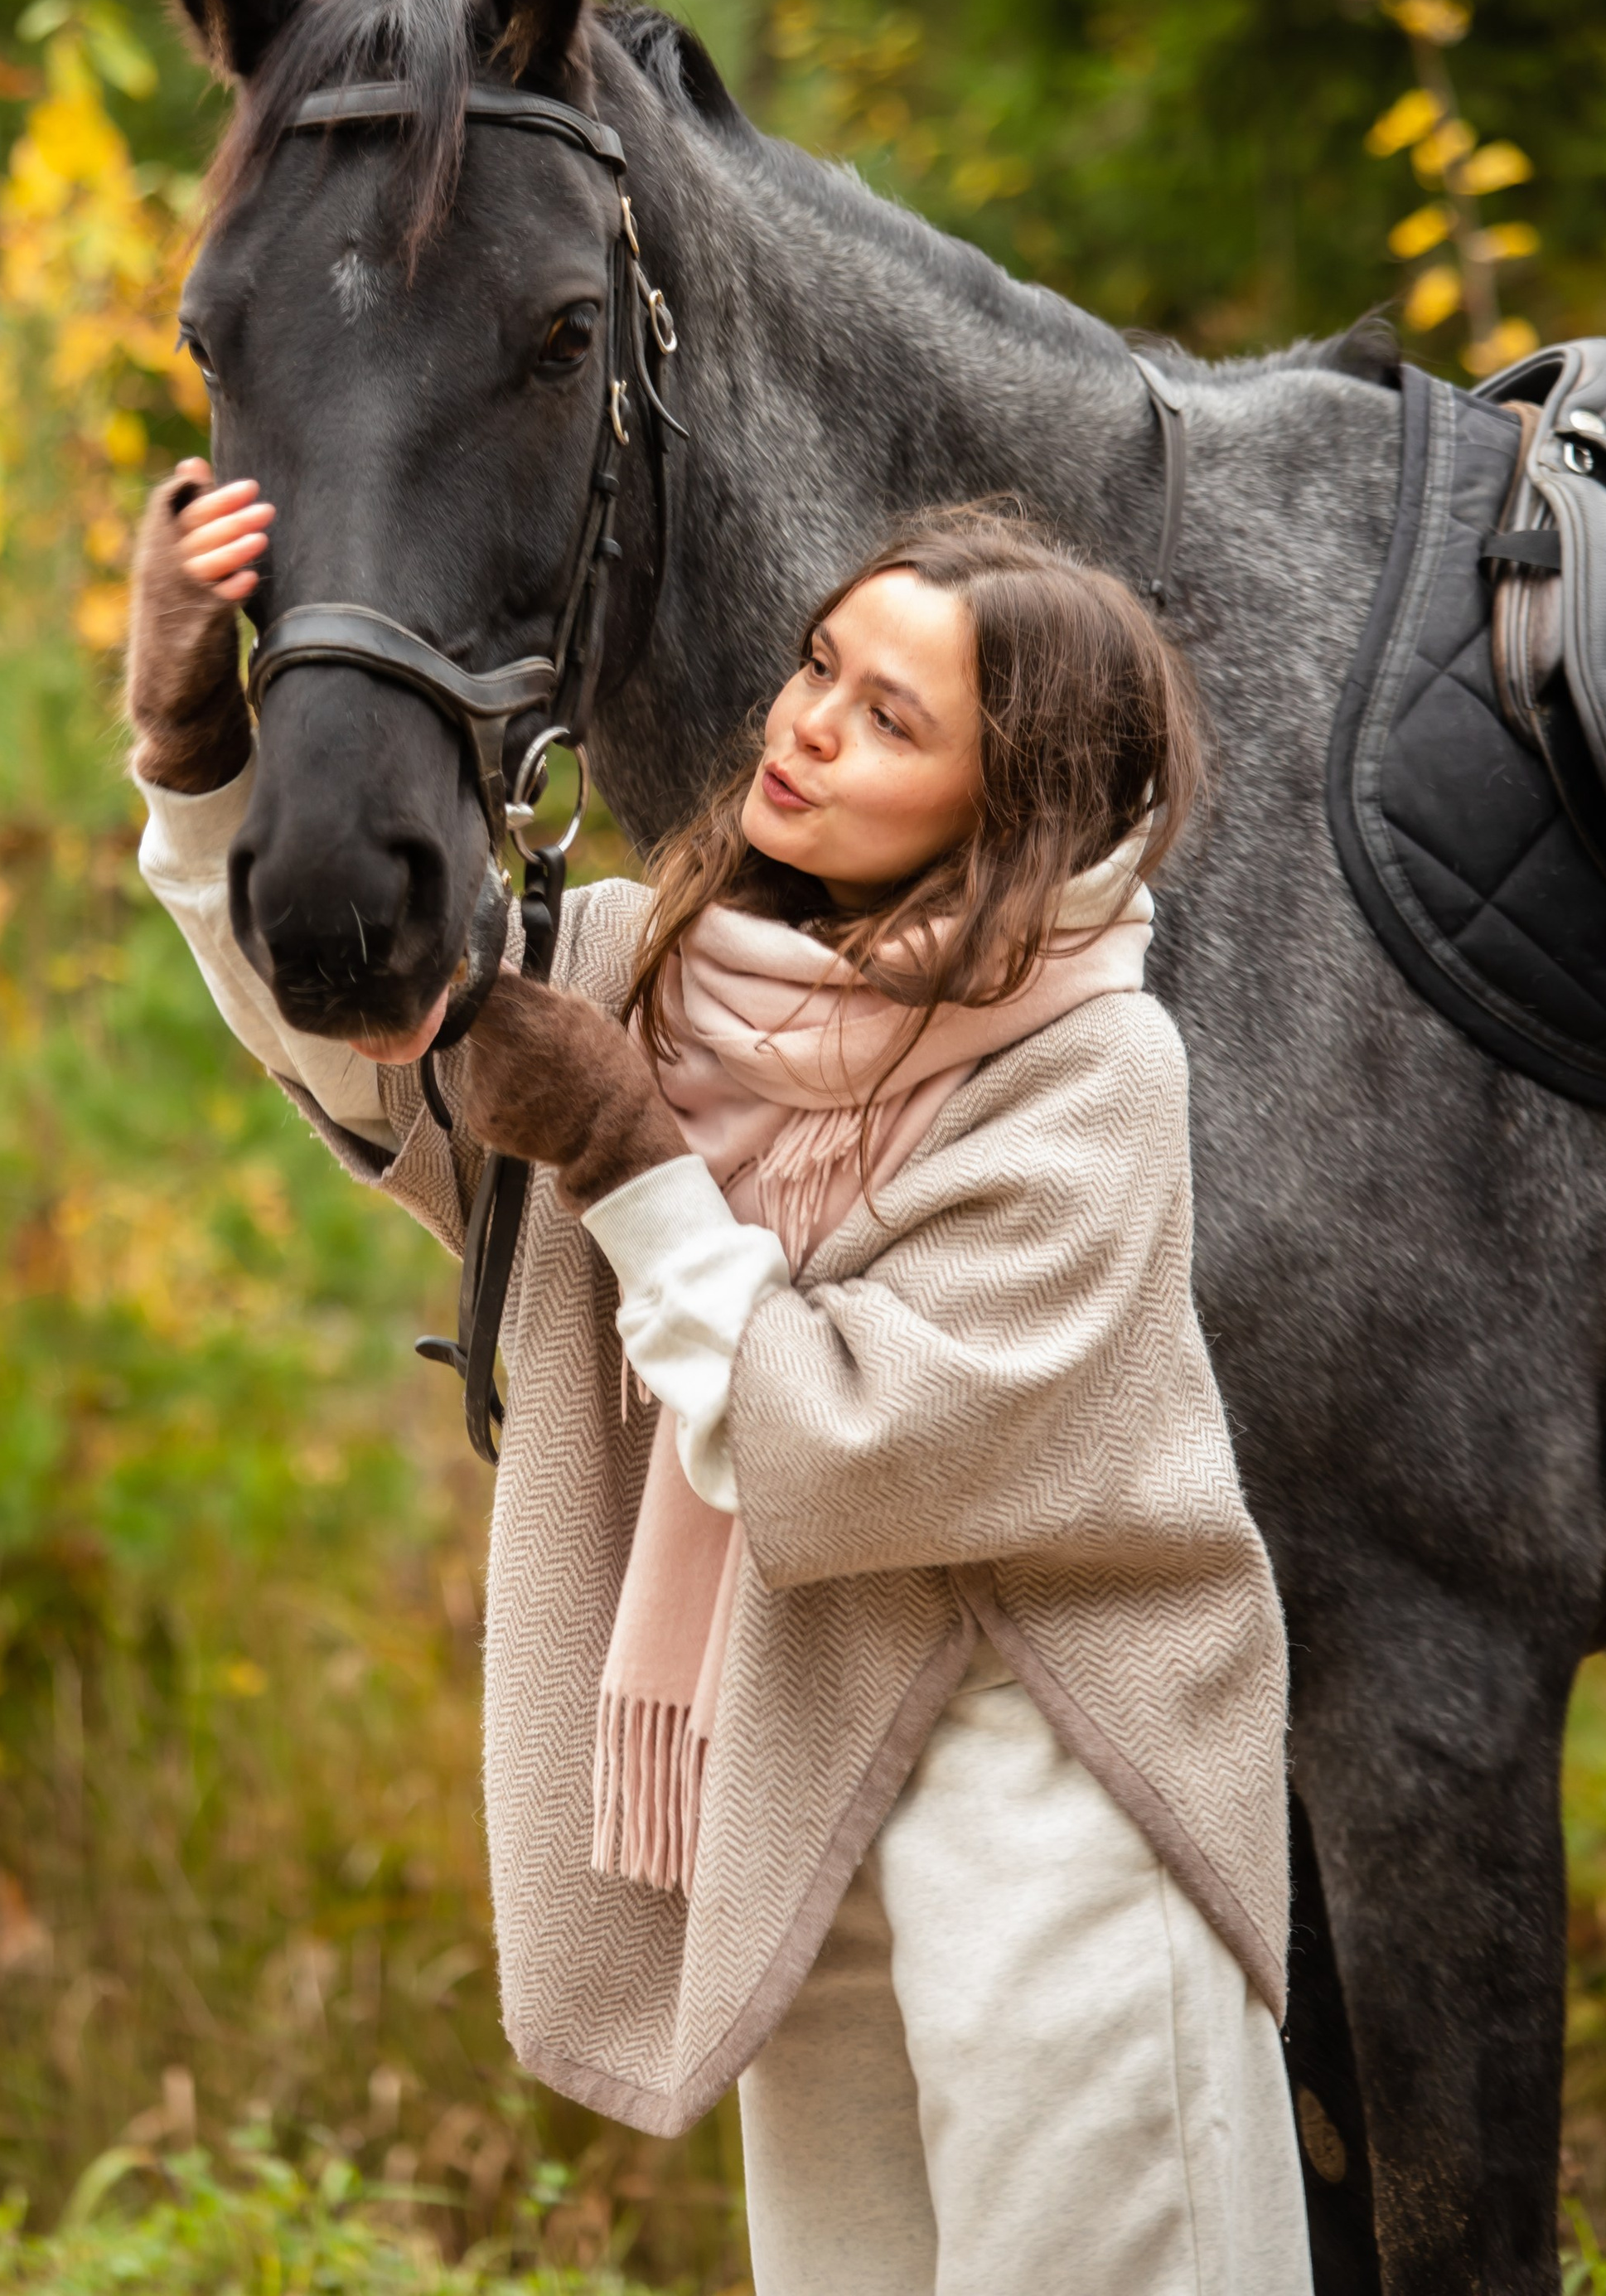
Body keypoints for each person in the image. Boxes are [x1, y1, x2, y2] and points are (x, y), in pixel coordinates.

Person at [128, 459, 1312, 2296]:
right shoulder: (644, 962)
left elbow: (847, 1437)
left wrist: (628, 1160)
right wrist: (201, 750)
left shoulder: (1088, 1072)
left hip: (1055, 1751)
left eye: (888, 716)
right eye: (818, 667)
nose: (809, 729)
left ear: (1012, 807)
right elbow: (362, 1047)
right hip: (789, 1746)